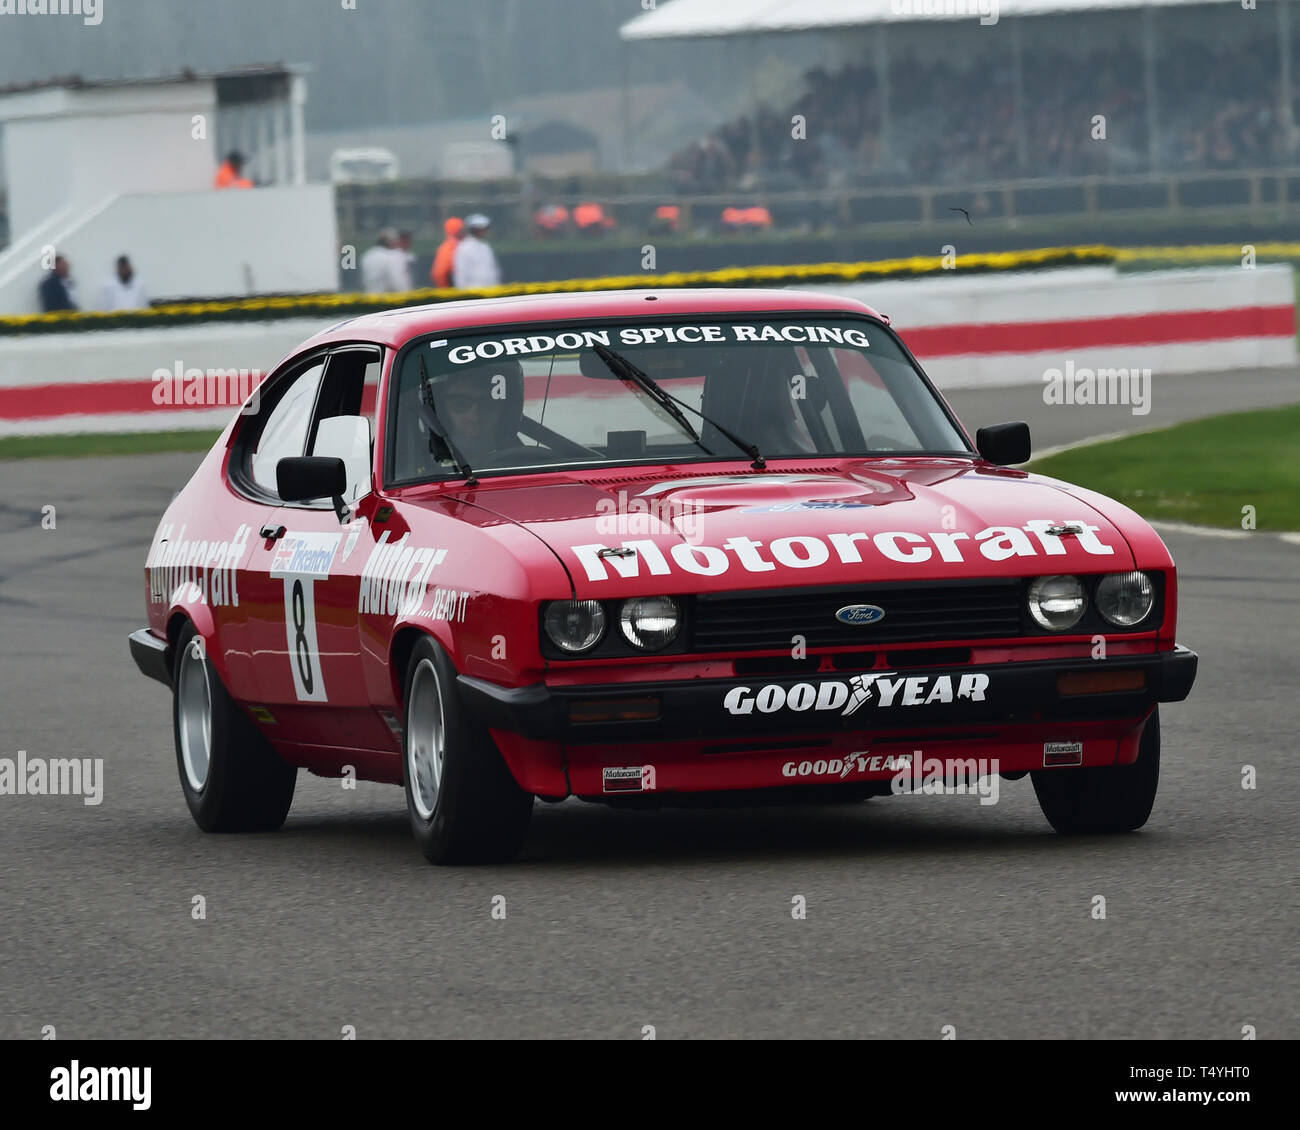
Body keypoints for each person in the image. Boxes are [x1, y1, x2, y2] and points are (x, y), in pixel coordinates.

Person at [452, 213, 501, 289]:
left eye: (485, 229)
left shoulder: (485, 246)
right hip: (473, 291)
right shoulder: (464, 247)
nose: (483, 231)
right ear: (473, 230)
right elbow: (461, 273)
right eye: (480, 229)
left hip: (491, 290)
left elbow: (493, 268)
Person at [360, 228, 406, 293]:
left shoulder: (367, 255)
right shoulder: (391, 256)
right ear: (390, 241)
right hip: (388, 298)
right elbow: (397, 281)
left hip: (369, 296)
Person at [430, 216, 463, 287]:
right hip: (452, 284)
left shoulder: (444, 247)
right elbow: (440, 273)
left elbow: (437, 273)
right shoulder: (450, 247)